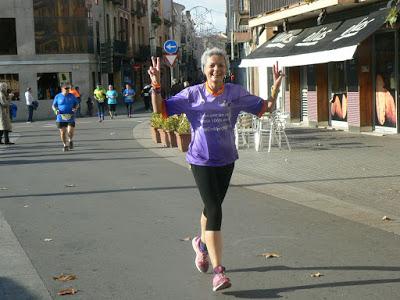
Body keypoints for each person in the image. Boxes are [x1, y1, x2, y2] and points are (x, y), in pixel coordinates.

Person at [148, 47, 284, 292]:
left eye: (220, 65)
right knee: (215, 209)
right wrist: (156, 86)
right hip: (201, 160)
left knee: (210, 208)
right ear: (204, 69)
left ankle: (200, 244)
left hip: (227, 160)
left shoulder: (235, 93)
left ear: (226, 69)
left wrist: (275, 87)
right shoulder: (193, 94)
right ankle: (219, 272)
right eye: (212, 65)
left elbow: (266, 108)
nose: (216, 69)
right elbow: (161, 110)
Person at [52, 83, 79, 152]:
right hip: (61, 117)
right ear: (62, 89)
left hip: (70, 116)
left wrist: (75, 108)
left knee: (70, 131)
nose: (67, 90)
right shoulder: (58, 96)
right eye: (66, 88)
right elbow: (53, 106)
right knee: (63, 132)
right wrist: (55, 110)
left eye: (68, 88)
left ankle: (70, 140)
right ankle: (65, 145)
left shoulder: (72, 96)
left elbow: (77, 104)